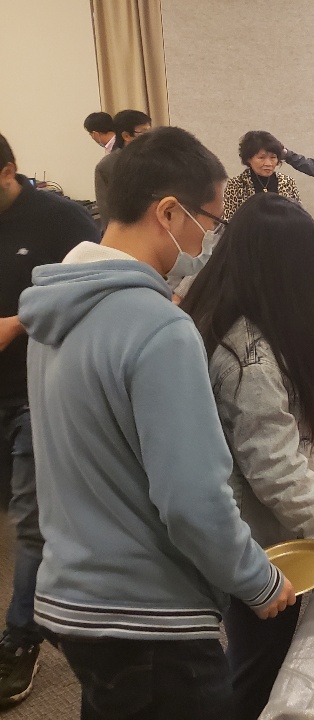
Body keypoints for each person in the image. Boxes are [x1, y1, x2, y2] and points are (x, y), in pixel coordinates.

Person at [19, 126, 294, 719]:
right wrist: (258, 579)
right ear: (168, 212)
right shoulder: (158, 327)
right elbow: (194, 498)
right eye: (209, 221)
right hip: (147, 615)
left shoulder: (52, 313)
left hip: (75, 598)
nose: (208, 240)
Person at [181, 193, 314, 718]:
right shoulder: (248, 354)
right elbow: (276, 472)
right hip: (259, 547)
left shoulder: (238, 323)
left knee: (259, 660)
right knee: (260, 669)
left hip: (259, 537)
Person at [0, 133, 98, 706]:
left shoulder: (60, 219)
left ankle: (20, 638)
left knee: (33, 523)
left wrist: (18, 321)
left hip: (33, 394)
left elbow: (94, 291)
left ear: (8, 171)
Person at [93, 109, 152, 228]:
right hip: (129, 230)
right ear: (126, 136)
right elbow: (107, 210)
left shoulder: (158, 158)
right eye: (144, 132)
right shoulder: (107, 166)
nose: (150, 137)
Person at [222, 130, 301, 219]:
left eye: (273, 157)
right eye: (261, 157)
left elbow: (299, 218)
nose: (268, 163)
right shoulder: (236, 185)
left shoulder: (288, 182)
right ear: (248, 159)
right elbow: (228, 221)